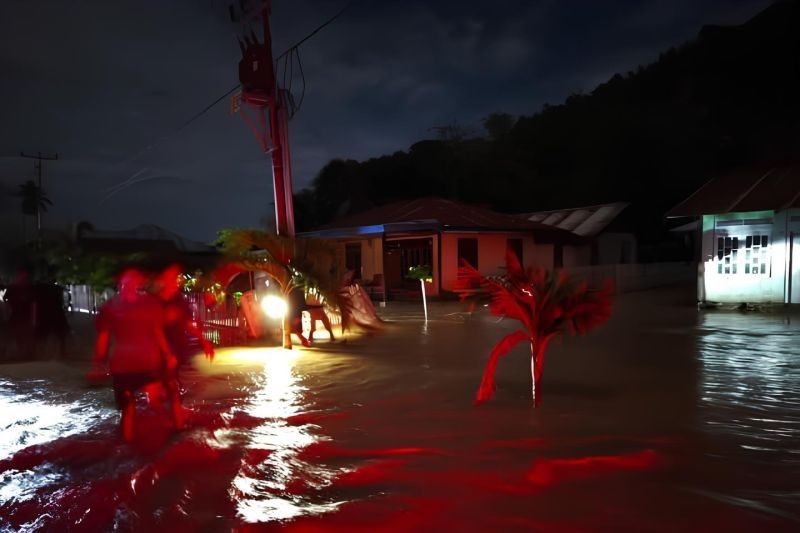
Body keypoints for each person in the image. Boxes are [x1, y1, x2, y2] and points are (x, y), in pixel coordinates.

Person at [87, 268, 184, 442]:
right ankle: (137, 441)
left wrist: (168, 355)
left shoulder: (145, 305)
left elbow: (157, 332)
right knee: (132, 407)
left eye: (133, 281)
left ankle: (166, 433)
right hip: (128, 365)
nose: (129, 284)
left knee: (151, 402)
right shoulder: (111, 308)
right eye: (127, 281)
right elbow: (103, 337)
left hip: (143, 363)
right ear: (121, 284)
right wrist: (98, 364)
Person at [154, 264, 214, 365]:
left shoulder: (180, 300)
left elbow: (188, 324)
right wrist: (167, 354)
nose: (175, 281)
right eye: (170, 277)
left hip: (178, 351)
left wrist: (205, 343)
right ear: (162, 279)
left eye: (175, 277)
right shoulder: (154, 302)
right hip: (159, 353)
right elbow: (154, 329)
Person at [3, 270, 35, 359]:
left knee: (25, 334)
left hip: (25, 315)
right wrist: (6, 313)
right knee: (16, 334)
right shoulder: (12, 288)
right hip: (15, 315)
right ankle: (22, 351)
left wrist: (33, 318)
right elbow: (6, 301)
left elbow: (33, 304)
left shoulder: (29, 288)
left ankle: (27, 352)